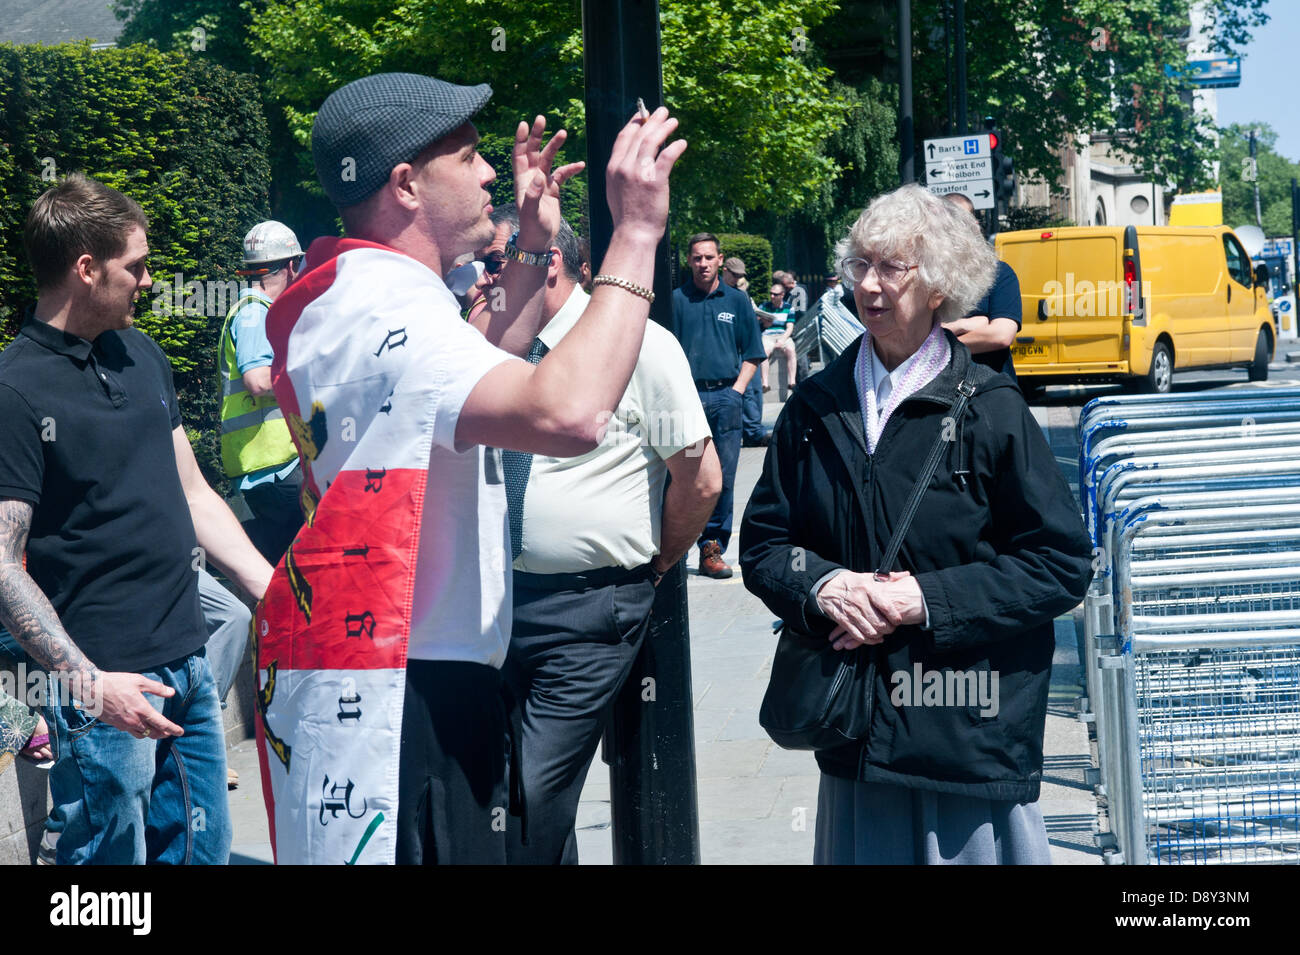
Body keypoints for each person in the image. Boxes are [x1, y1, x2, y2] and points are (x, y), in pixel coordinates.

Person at [253, 72, 686, 865]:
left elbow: (480, 364)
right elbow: (569, 412)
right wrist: (635, 233)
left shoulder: (356, 298)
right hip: (417, 691)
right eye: (470, 155)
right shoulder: (395, 313)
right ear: (407, 185)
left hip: (391, 666)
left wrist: (530, 243)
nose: (492, 172)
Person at [739, 184, 1093, 865]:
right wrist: (825, 585)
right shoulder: (816, 406)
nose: (869, 284)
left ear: (938, 284)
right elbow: (765, 543)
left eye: (891, 267)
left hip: (966, 734)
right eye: (860, 264)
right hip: (857, 735)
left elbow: (1061, 562)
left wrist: (923, 600)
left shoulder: (992, 408)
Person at [0, 173, 274, 864]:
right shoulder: (15, 388)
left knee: (201, 851)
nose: (149, 281)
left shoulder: (143, 354)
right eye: (136, 266)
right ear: (86, 269)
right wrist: (90, 686)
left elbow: (195, 492)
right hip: (106, 684)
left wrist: (275, 588)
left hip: (187, 665)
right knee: (108, 877)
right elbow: (2, 562)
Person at [488, 206, 721, 864]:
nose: (484, 279)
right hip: (497, 606)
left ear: (547, 260)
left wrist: (655, 564)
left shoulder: (641, 344)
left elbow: (700, 478)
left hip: (588, 611)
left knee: (527, 800)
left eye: (496, 262)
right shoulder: (490, 345)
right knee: (501, 798)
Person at [673, 234, 765, 579]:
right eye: (697, 258)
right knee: (688, 476)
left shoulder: (738, 301)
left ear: (720, 260)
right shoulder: (677, 301)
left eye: (709, 257)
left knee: (723, 479)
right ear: (689, 261)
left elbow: (753, 352)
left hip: (726, 400)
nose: (703, 264)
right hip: (689, 402)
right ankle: (676, 547)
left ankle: (712, 548)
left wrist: (737, 393)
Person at [219, 221, 307, 564]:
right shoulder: (255, 312)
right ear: (290, 265)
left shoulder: (253, 309)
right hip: (273, 467)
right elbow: (258, 379)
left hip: (264, 467)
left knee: (278, 566)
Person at [940, 193, 1021, 381]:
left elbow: (1000, 335)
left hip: (991, 393)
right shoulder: (927, 277)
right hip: (941, 394)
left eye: (961, 220)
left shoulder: (999, 273)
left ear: (975, 226)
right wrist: (965, 324)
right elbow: (914, 337)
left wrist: (939, 348)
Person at [721, 256, 769, 448]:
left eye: (741, 276)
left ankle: (753, 429)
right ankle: (752, 431)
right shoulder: (725, 295)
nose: (738, 279)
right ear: (725, 270)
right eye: (735, 275)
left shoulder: (741, 295)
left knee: (754, 390)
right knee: (748, 390)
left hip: (749, 346)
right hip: (737, 349)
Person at [759, 282, 797, 393]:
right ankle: (765, 384)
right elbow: (761, 324)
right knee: (764, 352)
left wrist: (782, 340)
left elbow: (790, 327)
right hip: (768, 334)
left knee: (791, 350)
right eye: (771, 294)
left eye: (775, 294)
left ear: (782, 295)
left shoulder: (789, 308)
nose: (772, 296)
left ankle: (792, 382)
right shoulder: (764, 306)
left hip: (782, 334)